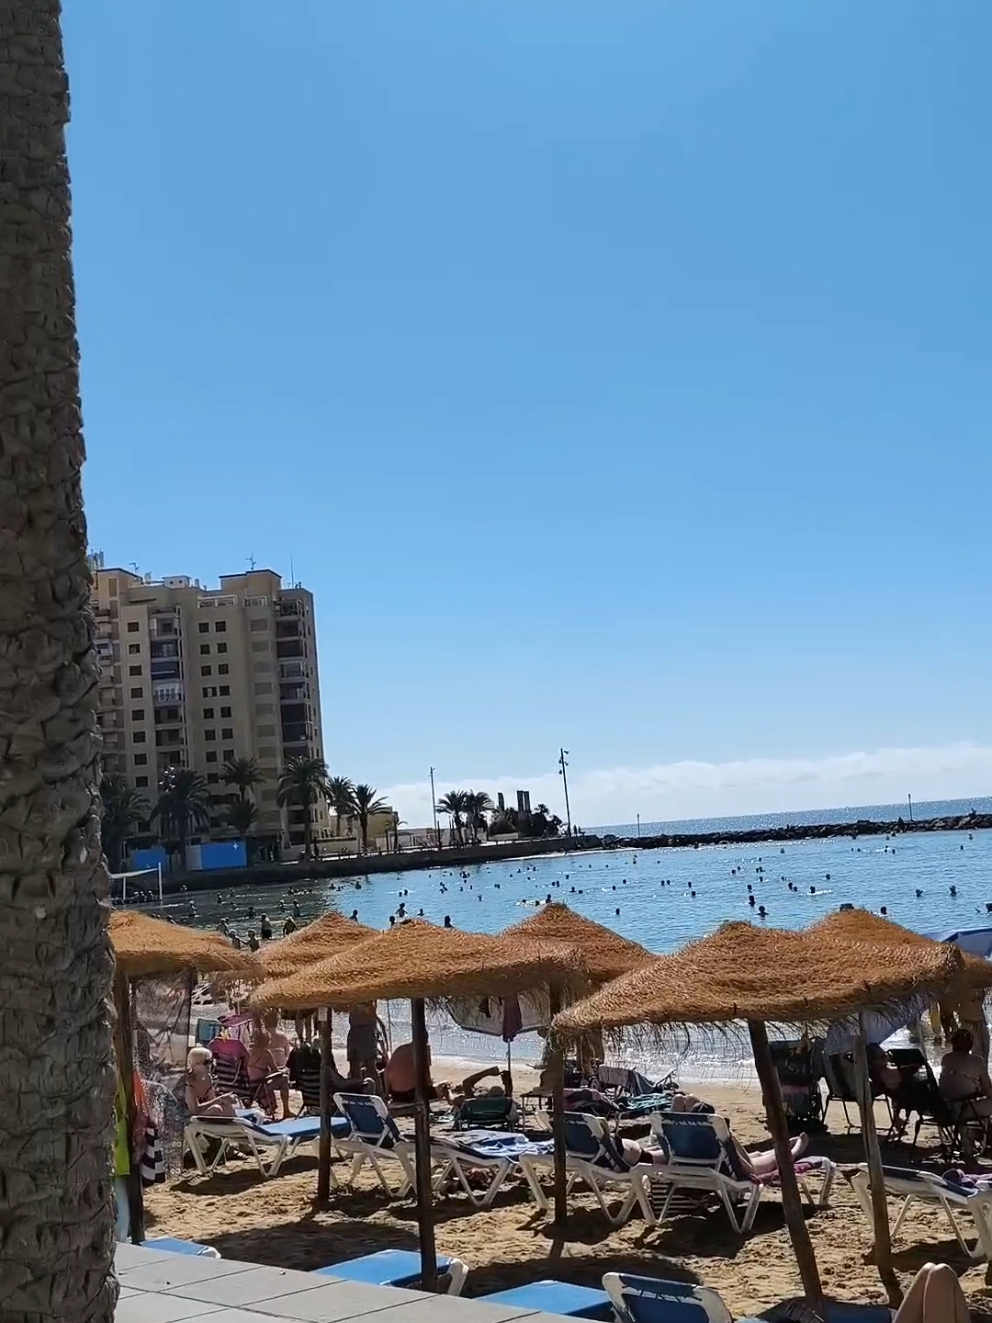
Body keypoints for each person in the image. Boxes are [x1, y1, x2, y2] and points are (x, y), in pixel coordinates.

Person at [385, 1039, 450, 1104]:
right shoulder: (424, 1049)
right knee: (444, 1086)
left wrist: (387, 1092)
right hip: (415, 1094)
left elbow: (387, 1071)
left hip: (397, 1094)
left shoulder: (400, 1049)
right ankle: (450, 1098)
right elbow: (427, 1076)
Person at [184, 1046, 238, 1118]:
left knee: (226, 1105)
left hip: (200, 1116)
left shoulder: (208, 1078)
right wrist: (220, 1099)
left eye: (211, 1061)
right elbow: (194, 1110)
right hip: (187, 1120)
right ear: (195, 1064)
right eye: (206, 1062)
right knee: (216, 1109)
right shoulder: (188, 1082)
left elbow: (211, 1101)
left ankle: (237, 1126)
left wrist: (225, 1099)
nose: (209, 1065)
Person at [247, 1028, 290, 1119]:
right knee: (284, 1079)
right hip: (261, 1086)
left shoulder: (248, 1052)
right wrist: (284, 1070)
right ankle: (286, 1110)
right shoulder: (266, 1053)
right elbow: (275, 1071)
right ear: (267, 1041)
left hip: (248, 1085)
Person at [347, 1002, 385, 1080]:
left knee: (370, 1065)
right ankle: (357, 1088)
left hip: (366, 1031)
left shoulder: (369, 1005)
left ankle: (378, 1091)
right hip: (355, 1031)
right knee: (354, 1066)